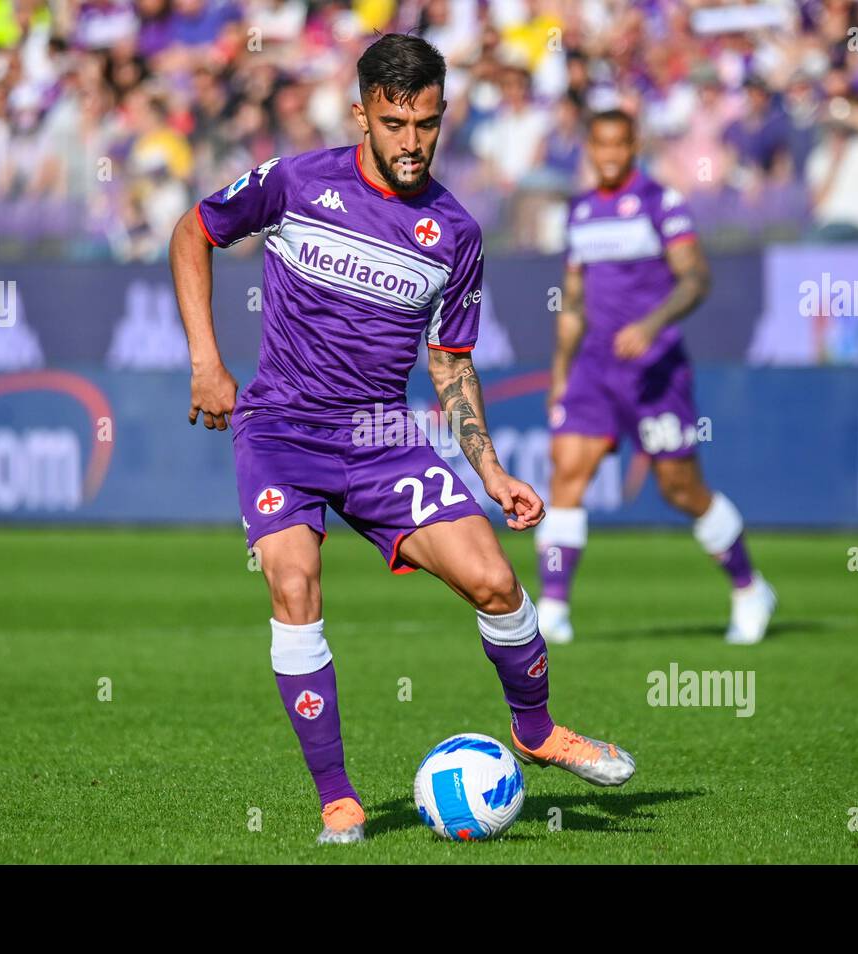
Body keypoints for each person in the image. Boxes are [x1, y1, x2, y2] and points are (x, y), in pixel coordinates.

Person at [170, 33, 635, 845]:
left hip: (384, 436)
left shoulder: (455, 233)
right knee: (293, 586)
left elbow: (451, 363)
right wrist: (207, 361)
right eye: (394, 123)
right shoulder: (293, 181)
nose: (411, 142)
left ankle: (536, 730)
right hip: (281, 429)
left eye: (426, 123)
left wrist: (488, 468)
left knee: (494, 580)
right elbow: (192, 232)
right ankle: (339, 798)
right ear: (362, 115)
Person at [538, 109, 776, 646]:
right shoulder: (578, 212)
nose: (609, 155)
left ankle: (748, 586)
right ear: (588, 149)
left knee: (680, 487)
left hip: (654, 370)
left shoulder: (659, 203)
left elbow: (696, 278)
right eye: (599, 146)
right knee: (567, 474)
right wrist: (560, 373)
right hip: (595, 368)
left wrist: (651, 324)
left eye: (619, 145)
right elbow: (573, 301)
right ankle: (551, 608)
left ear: (633, 147)